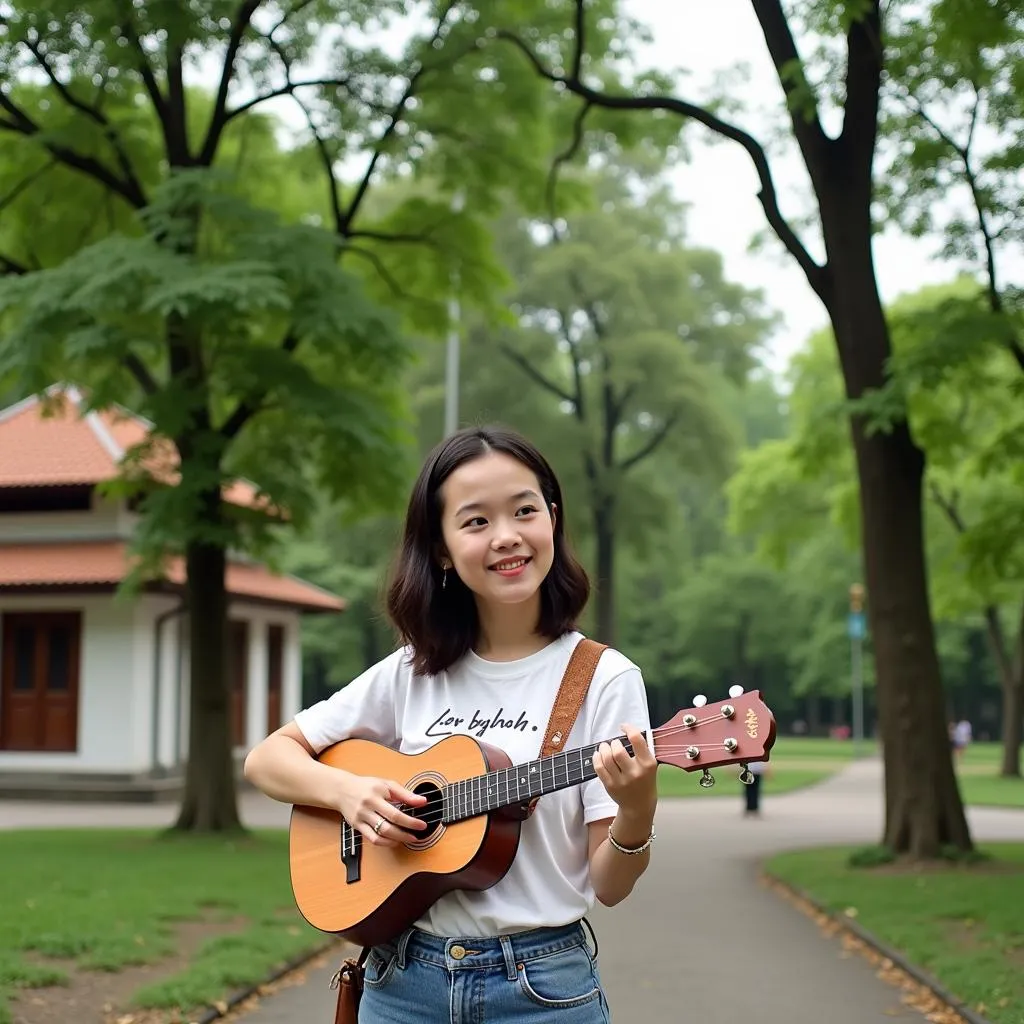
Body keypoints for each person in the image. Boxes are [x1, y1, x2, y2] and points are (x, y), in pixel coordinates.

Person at [244, 426, 657, 1023]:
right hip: (402, 982)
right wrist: (350, 792)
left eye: (524, 511)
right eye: (475, 521)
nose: (507, 537)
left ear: (552, 519)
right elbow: (268, 759)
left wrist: (637, 809)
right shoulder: (414, 669)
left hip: (542, 990)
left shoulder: (602, 678)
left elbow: (611, 886)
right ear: (440, 547)